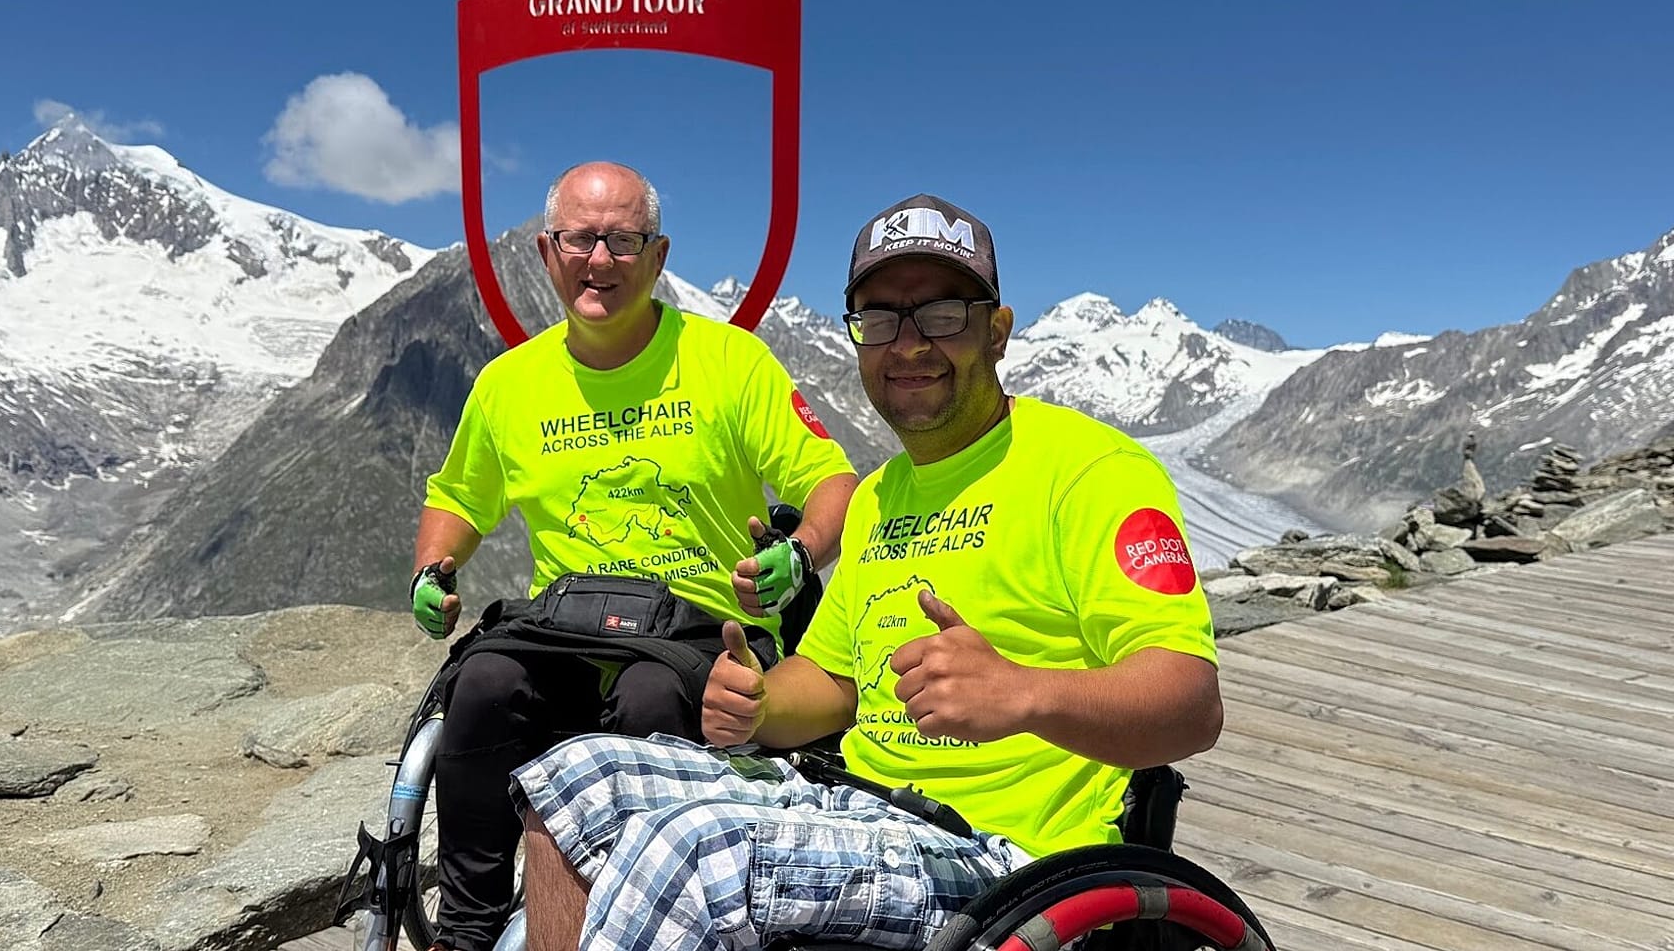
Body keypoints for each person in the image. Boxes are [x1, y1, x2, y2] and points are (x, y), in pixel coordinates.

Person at [510, 194, 1224, 951]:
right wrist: (755, 705)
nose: (908, 344)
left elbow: (1191, 704)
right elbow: (834, 682)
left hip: (1004, 860)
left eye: (942, 314)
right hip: (854, 806)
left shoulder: (1090, 473)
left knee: (689, 855)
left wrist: (1023, 692)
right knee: (571, 780)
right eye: (880, 319)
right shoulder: (880, 495)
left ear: (999, 332)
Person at [410, 161, 859, 951]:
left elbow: (830, 477)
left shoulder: (730, 363)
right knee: (481, 684)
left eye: (624, 240)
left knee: (653, 700)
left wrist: (801, 550)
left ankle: (639, 926)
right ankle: (469, 930)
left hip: (699, 627)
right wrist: (434, 568)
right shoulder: (509, 384)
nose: (600, 260)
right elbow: (459, 497)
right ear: (549, 252)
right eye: (582, 239)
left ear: (657, 256)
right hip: (565, 625)